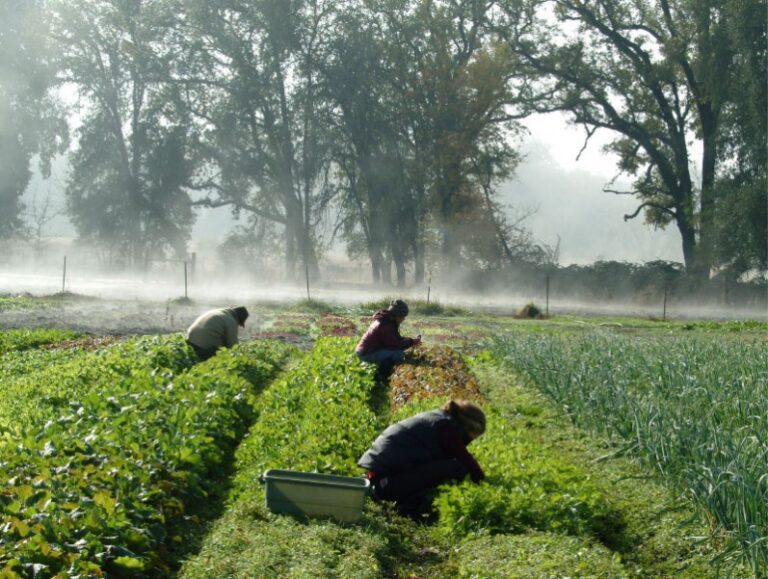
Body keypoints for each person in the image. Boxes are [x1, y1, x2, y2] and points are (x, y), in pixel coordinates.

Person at [358, 399, 486, 519]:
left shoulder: (438, 418)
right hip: (386, 483)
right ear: (469, 427)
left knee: (442, 465)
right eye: (474, 435)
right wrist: (484, 483)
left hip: (381, 477)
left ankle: (409, 503)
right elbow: (464, 458)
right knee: (456, 467)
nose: (472, 439)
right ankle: (408, 507)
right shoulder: (447, 428)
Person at [355, 299, 422, 372]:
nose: (403, 319)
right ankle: (384, 375)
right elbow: (395, 345)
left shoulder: (386, 320)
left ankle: (384, 371)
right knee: (398, 353)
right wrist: (411, 342)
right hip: (366, 354)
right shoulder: (386, 325)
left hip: (366, 351)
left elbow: (395, 339)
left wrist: (410, 340)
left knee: (396, 352)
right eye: (402, 317)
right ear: (396, 315)